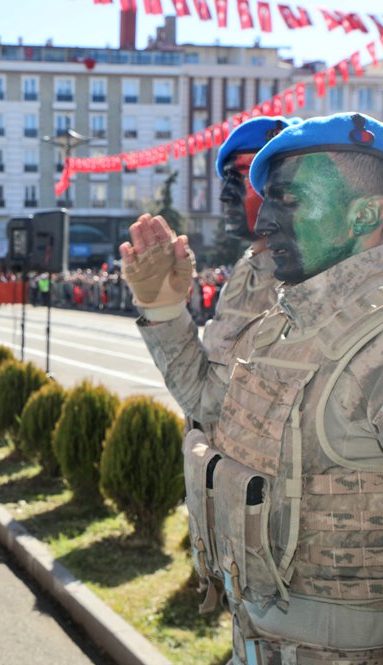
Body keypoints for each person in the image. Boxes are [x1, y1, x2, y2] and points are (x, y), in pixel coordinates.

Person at [125, 112, 383, 665]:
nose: (263, 220)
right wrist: (166, 310)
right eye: (265, 198)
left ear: (365, 213)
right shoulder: (278, 325)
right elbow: (215, 413)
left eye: (288, 200)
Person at [122, 116, 294, 433]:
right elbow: (204, 400)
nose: (225, 196)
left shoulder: (305, 280)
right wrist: (163, 309)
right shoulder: (245, 271)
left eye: (242, 177)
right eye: (225, 180)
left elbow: (213, 407)